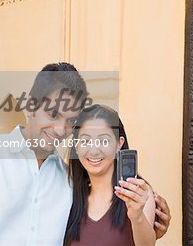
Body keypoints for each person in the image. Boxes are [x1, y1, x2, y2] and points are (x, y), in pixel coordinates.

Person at [0, 63, 170, 245]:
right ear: (30, 105)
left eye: (70, 121)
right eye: (52, 114)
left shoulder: (70, 181)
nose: (60, 130)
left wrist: (145, 226)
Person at [64, 105, 155, 245]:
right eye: (85, 141)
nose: (94, 151)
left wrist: (137, 217)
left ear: (119, 144)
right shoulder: (69, 197)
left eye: (103, 141)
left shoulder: (138, 194)